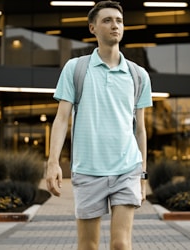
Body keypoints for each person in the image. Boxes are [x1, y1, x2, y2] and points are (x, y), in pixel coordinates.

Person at [46, 1, 153, 249]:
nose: (115, 25)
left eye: (119, 20)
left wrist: (142, 177)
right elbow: (61, 119)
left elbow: (140, 129)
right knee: (89, 246)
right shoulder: (76, 69)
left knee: (120, 244)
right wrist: (52, 163)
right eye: (107, 20)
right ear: (92, 28)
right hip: (88, 170)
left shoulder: (138, 75)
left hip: (127, 169)